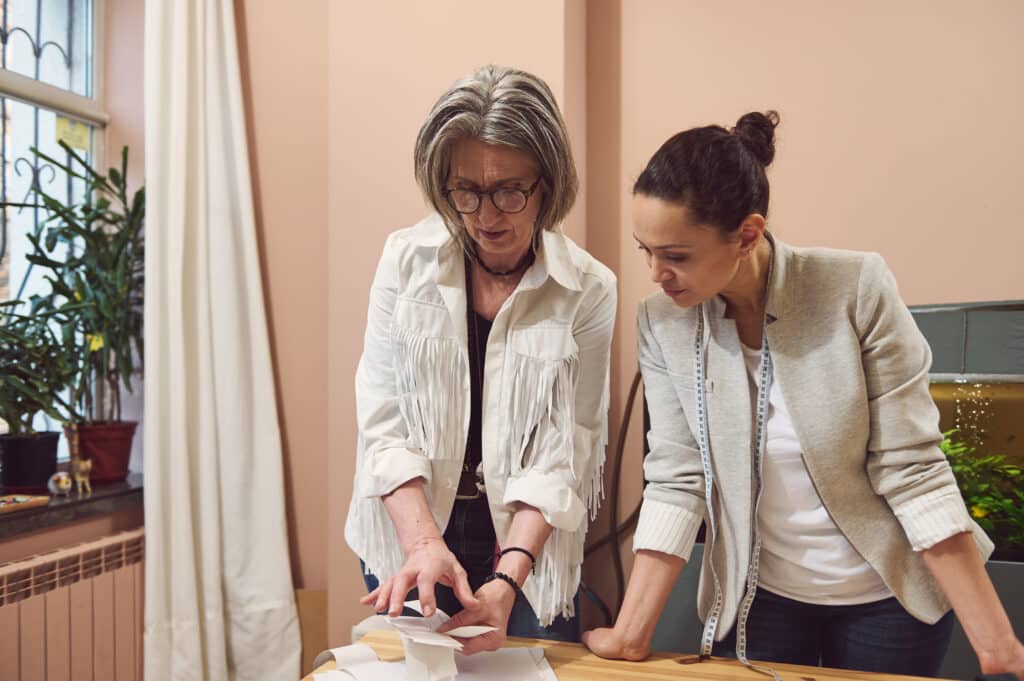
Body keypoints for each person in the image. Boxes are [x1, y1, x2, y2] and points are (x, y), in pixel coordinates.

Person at [582, 111, 1024, 679]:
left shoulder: (853, 288)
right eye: (646, 250)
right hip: (760, 601)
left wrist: (998, 644)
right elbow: (677, 474)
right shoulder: (662, 322)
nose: (656, 274)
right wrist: (630, 635)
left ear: (746, 234)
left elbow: (912, 469)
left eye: (677, 255)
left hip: (887, 602)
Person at [344, 64, 616, 654]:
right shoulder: (404, 261)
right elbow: (383, 418)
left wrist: (506, 580)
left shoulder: (589, 291)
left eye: (509, 192)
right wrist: (421, 545)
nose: (487, 217)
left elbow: (565, 449)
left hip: (524, 550)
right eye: (465, 192)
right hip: (411, 529)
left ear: (549, 182)